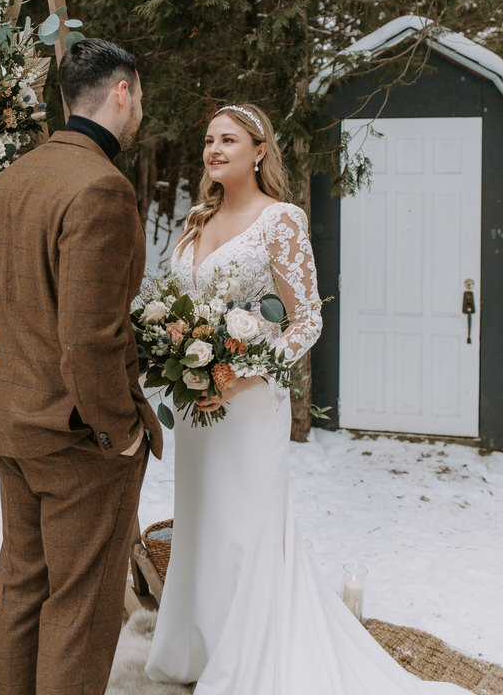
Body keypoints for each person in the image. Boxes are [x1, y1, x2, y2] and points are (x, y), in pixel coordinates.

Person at [145, 103, 471, 695]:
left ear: (260, 149)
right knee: (203, 524)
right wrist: (180, 353)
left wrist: (241, 374)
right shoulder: (196, 217)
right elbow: (179, 303)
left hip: (245, 403)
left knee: (245, 527)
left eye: (229, 140)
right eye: (209, 140)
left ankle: (251, 661)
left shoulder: (281, 221)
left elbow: (306, 321)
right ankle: (202, 649)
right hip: (196, 403)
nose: (215, 150)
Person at [0, 38, 163, 695]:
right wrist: (123, 432)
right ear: (121, 92)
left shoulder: (11, 179)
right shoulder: (102, 189)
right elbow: (89, 342)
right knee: (80, 610)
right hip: (78, 440)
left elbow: (1, 301)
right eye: (139, 97)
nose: (141, 110)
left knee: (23, 588)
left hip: (12, 424)